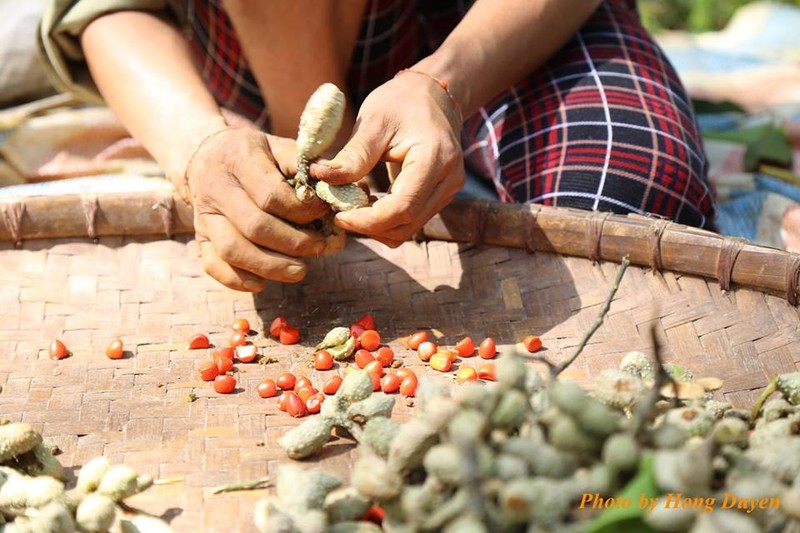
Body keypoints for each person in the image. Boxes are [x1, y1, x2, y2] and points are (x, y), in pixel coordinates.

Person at [39, 0, 716, 292]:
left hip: (492, 33)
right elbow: (107, 9)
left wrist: (443, 85)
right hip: (250, 46)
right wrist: (197, 149)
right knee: (267, 224)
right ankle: (303, 177)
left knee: (627, 206)